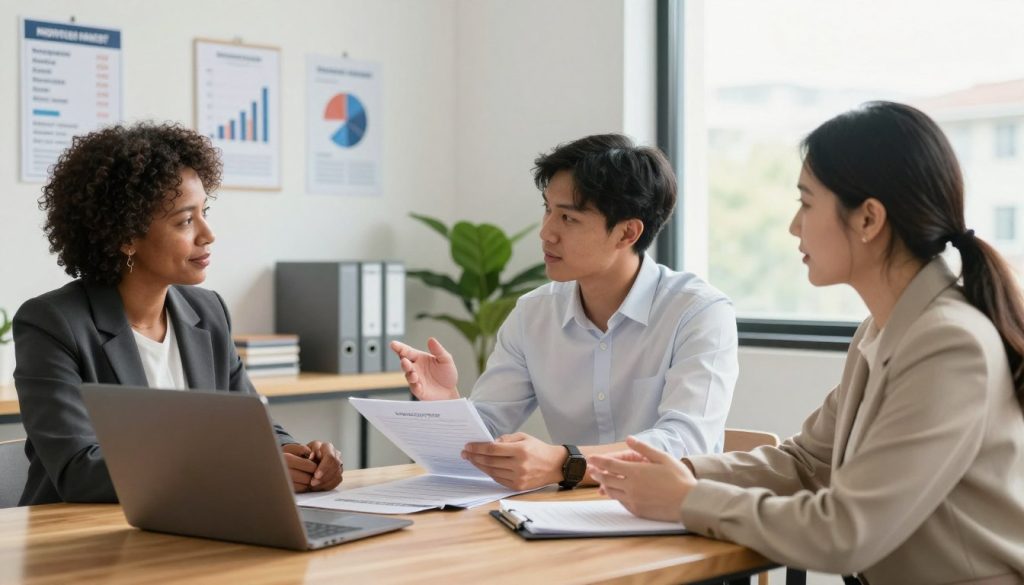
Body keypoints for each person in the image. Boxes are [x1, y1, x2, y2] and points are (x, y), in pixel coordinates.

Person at [589, 102, 1024, 584]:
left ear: (868, 220)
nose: (795, 225)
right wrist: (683, 471)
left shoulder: (949, 344)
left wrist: (686, 499)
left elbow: (847, 533)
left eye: (807, 202)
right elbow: (806, 462)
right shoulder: (883, 328)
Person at [13, 122, 343, 506]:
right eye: (186, 221)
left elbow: (254, 428)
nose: (208, 233)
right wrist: (236, 469)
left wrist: (302, 459)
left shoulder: (208, 311)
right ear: (126, 237)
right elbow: (79, 472)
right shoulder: (53, 323)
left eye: (205, 212)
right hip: (80, 545)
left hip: (191, 526)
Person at [390, 134, 738, 491]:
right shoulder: (533, 314)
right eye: (547, 209)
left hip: (668, 516)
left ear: (627, 233)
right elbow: (483, 439)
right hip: (564, 518)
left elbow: (687, 443)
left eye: (569, 218)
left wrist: (567, 463)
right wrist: (447, 404)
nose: (546, 233)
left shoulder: (698, 313)